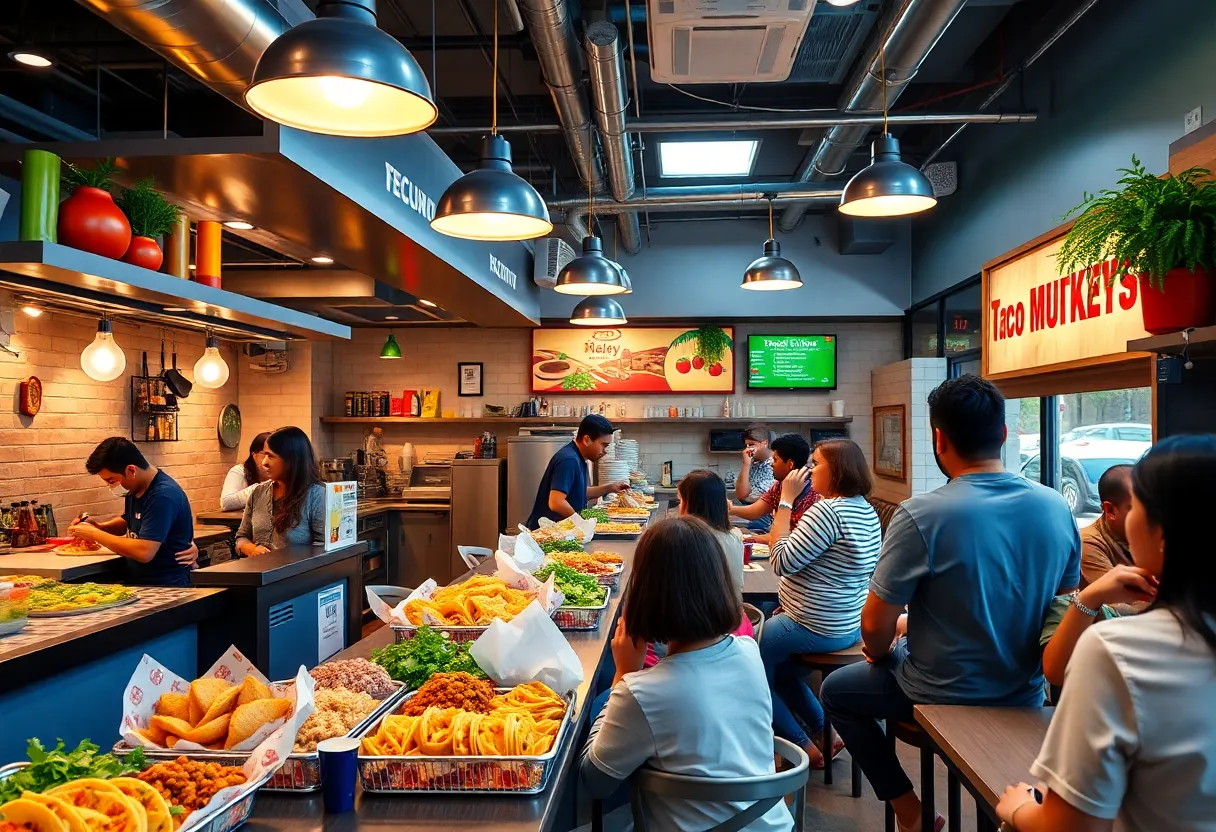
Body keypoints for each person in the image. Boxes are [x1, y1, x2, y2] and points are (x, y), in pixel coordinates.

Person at [821, 376, 1081, 832]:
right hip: (1026, 691)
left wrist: (881, 652)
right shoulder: (1056, 507)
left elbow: (873, 624)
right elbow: (1060, 614)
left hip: (939, 691)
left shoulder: (923, 513)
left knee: (836, 691)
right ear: (1003, 434)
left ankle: (911, 812)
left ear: (938, 439)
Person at [997, 434, 1216, 832]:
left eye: (1140, 508)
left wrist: (1015, 809)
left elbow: (1070, 825)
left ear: (1163, 535)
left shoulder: (1119, 650)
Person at [579, 517, 794, 832]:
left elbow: (593, 781)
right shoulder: (748, 651)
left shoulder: (641, 692)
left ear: (645, 593)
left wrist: (623, 674)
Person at [760, 439, 881, 769]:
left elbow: (781, 561)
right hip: (847, 624)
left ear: (837, 471)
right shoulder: (864, 509)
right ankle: (825, 734)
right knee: (783, 673)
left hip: (812, 624)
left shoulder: (827, 510)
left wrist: (785, 501)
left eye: (816, 463)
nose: (809, 470)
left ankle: (802, 749)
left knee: (747, 665)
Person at [68, 437, 198, 586]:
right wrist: (99, 526)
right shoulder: (134, 488)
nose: (110, 487)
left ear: (131, 470)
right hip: (138, 581)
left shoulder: (163, 496)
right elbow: (129, 521)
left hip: (167, 587)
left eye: (111, 481)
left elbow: (145, 552)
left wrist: (94, 534)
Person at [235, 426, 326, 556]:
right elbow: (242, 537)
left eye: (271, 456)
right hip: (260, 572)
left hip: (299, 574)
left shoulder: (317, 495)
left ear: (291, 460)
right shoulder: (258, 492)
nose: (264, 462)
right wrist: (251, 549)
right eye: (264, 454)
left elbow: (323, 548)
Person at [526, 414, 628, 528]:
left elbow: (578, 493)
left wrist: (610, 488)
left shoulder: (579, 458)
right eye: (604, 445)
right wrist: (581, 524)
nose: (605, 451)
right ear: (586, 440)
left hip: (562, 532)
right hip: (547, 535)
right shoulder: (569, 459)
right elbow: (556, 503)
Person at [729, 433, 818, 538]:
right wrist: (730, 508)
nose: (772, 463)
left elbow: (789, 538)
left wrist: (749, 539)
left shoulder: (812, 493)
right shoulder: (779, 485)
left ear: (790, 464)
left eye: (775, 459)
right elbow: (756, 510)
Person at [678, 469, 745, 595]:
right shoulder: (735, 535)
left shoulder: (683, 540)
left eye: (680, 500)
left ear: (687, 504)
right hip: (733, 612)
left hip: (700, 614)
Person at [1079, 464, 1134, 588]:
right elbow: (1118, 601)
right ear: (1110, 511)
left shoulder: (1151, 534)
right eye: (1139, 509)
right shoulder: (1088, 542)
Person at [736, 425, 776, 533]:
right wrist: (746, 464)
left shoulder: (774, 465)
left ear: (765, 443)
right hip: (752, 517)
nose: (747, 449)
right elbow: (741, 494)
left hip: (766, 523)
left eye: (751, 445)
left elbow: (746, 495)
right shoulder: (753, 463)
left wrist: (746, 464)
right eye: (746, 445)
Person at [220, 431, 271, 511]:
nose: (268, 460)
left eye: (273, 456)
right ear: (253, 454)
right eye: (265, 454)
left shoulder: (281, 473)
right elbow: (226, 503)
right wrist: (261, 488)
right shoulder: (239, 471)